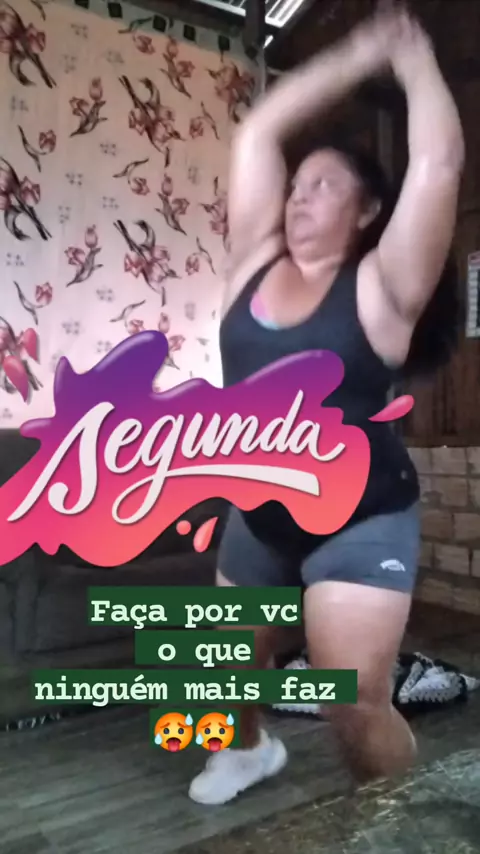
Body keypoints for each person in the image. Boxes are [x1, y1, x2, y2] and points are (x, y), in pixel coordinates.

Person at [189, 2, 464, 805]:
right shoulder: (252, 262)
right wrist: (352, 56)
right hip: (259, 512)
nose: (300, 197)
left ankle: (398, 822)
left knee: (351, 701)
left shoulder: (382, 288)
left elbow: (438, 164)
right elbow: (256, 134)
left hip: (360, 517)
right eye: (297, 185)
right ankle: (248, 752)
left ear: (368, 211)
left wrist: (410, 58)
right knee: (224, 671)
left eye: (325, 186)